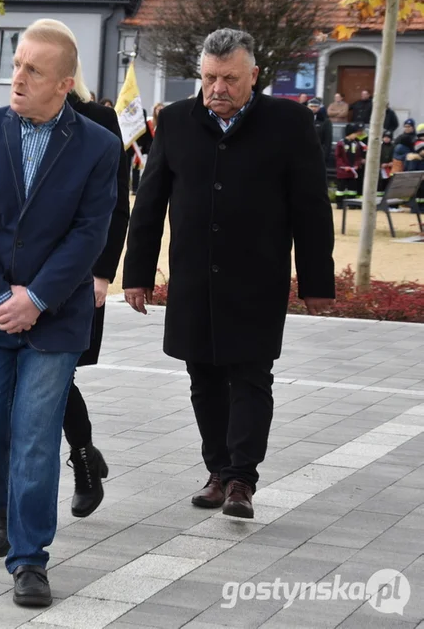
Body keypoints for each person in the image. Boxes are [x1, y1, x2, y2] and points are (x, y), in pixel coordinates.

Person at [122, 28, 335, 520]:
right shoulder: (174, 122)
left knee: (251, 376)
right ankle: (217, 471)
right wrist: (137, 274)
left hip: (256, 279)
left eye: (230, 79)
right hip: (194, 280)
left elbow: (311, 208)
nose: (218, 88)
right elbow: (149, 205)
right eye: (210, 77)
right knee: (203, 376)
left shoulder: (288, 123)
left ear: (254, 76)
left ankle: (242, 479)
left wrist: (317, 282)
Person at [0, 18, 118, 607]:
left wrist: (37, 298)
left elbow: (88, 232)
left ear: (64, 84)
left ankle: (30, 559)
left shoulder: (98, 147)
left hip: (56, 316)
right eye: (16, 63)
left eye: (31, 70)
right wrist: (0, 297)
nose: (15, 77)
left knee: (37, 439)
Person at [60, 58, 131, 519]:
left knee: (59, 371)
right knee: (41, 375)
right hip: (21, 275)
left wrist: (103, 272)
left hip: (80, 271)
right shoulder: (7, 121)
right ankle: (85, 457)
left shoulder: (98, 120)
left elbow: (116, 205)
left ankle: (84, 460)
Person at [334, 123, 366, 208]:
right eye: (355, 133)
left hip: (353, 171)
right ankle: (339, 204)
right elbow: (338, 156)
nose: (356, 135)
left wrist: (356, 165)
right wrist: (344, 166)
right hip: (343, 171)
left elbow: (358, 156)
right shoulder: (341, 143)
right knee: (341, 188)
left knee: (352, 189)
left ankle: (352, 204)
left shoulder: (357, 143)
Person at [309, 97, 333, 167]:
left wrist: (325, 156)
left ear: (319, 108)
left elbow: (328, 141)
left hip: (318, 154)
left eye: (315, 106)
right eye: (311, 106)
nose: (313, 108)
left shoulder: (325, 121)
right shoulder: (302, 119)